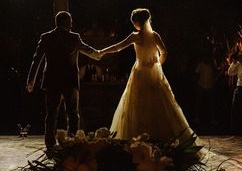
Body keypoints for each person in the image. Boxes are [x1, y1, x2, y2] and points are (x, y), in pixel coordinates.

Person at [98, 8, 197, 142]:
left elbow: (118, 47)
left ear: (137, 21)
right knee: (160, 104)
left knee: (137, 104)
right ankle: (163, 139)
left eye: (134, 21)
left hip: (139, 73)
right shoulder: (155, 35)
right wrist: (157, 65)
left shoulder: (135, 36)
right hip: (154, 73)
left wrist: (102, 51)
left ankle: (138, 139)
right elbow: (164, 52)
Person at [26, 11, 101, 149]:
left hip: (52, 81)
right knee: (72, 113)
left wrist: (31, 80)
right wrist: (99, 54)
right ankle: (72, 142)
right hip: (69, 81)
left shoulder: (46, 37)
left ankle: (49, 143)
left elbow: (36, 60)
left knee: (51, 113)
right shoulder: (74, 37)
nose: (72, 23)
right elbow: (87, 49)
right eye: (70, 20)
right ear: (66, 22)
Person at [194, 52, 217, 132]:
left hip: (210, 86)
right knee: (199, 102)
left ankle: (212, 118)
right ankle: (197, 117)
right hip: (201, 85)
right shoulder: (201, 65)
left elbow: (214, 74)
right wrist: (197, 84)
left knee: (211, 102)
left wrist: (213, 82)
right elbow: (197, 74)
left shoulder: (212, 65)